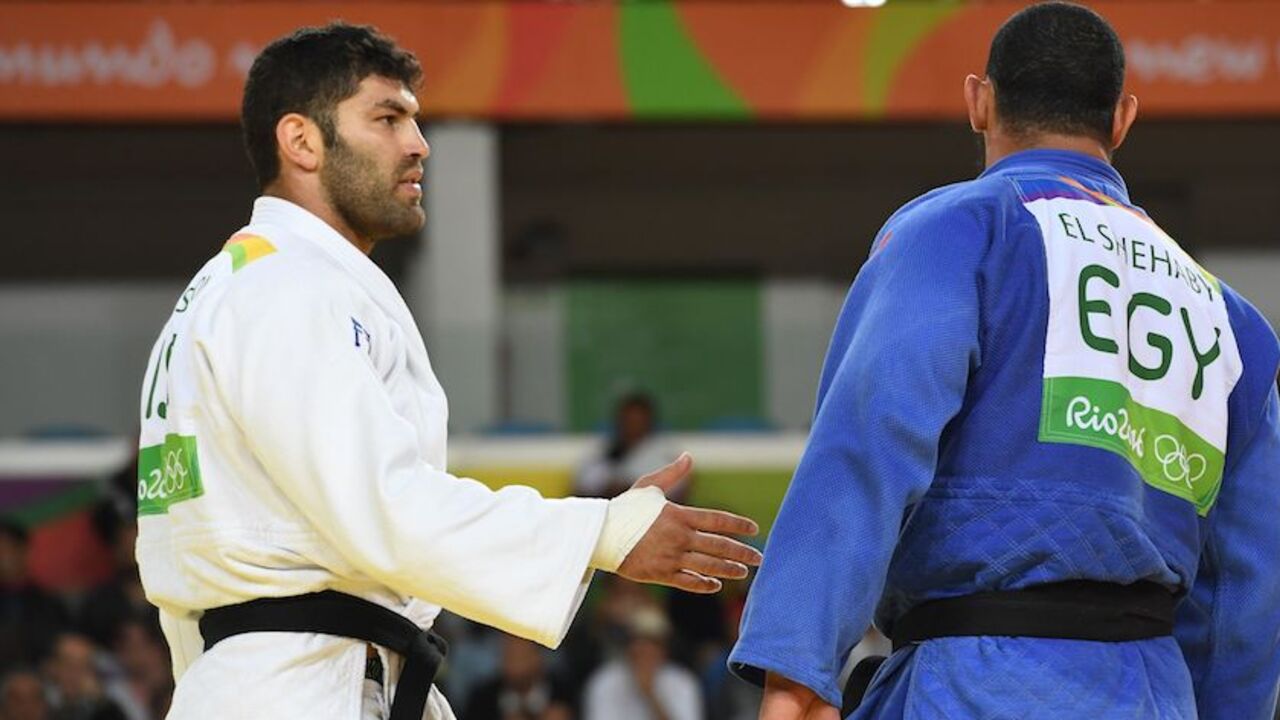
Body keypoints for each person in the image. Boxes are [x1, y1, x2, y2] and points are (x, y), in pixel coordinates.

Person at [134, 22, 761, 720]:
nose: (418, 144)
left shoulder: (240, 285)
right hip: (297, 687)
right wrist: (604, 531)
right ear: (301, 141)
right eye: (387, 117)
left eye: (414, 119)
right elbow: (385, 505)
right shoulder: (287, 289)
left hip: (279, 674)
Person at [729, 3, 1280, 719]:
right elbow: (1247, 584)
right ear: (1121, 119)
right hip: (1153, 691)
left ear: (979, 102)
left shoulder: (961, 231)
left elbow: (870, 444)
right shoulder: (1233, 322)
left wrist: (797, 665)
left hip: (973, 684)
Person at [582, 606, 702, 720]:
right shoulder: (605, 680)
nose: (644, 649)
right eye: (638, 641)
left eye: (653, 642)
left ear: (664, 648)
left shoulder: (682, 681)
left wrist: (650, 695)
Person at [576, 393, 677, 501]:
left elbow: (677, 494)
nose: (633, 426)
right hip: (605, 510)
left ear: (649, 422)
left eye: (638, 421)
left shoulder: (663, 451)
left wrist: (630, 489)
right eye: (628, 421)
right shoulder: (603, 450)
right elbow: (580, 489)